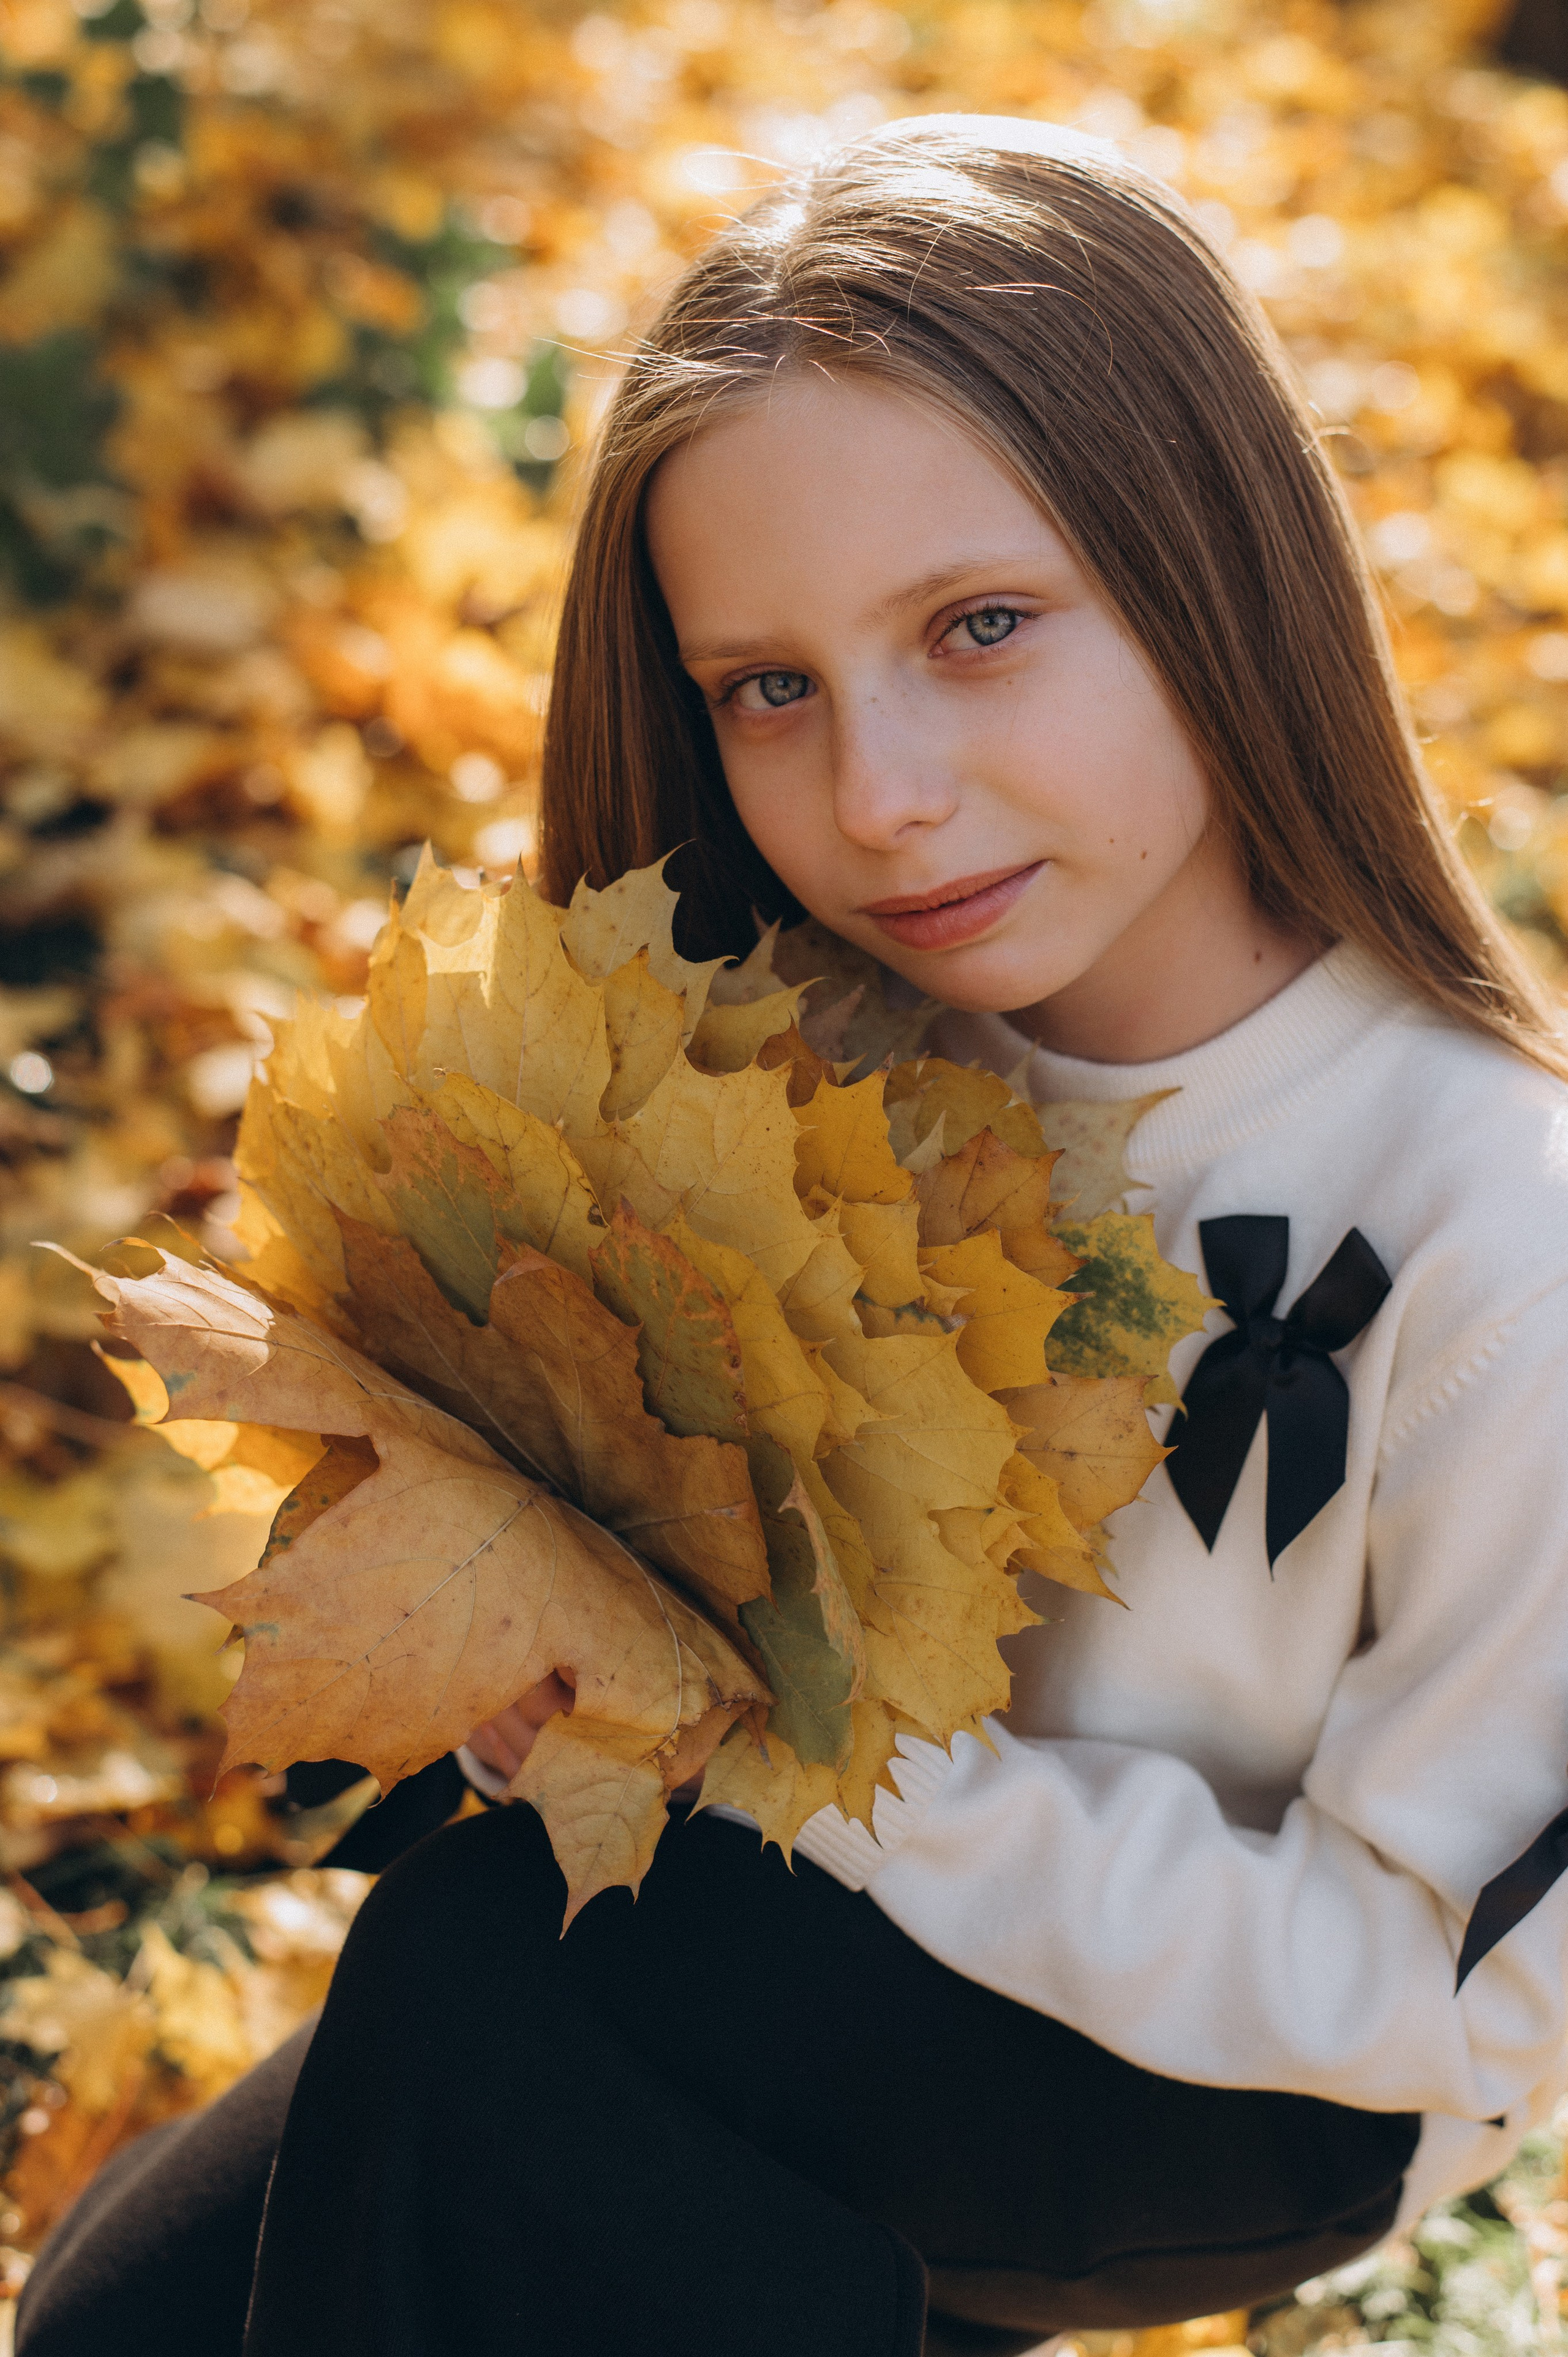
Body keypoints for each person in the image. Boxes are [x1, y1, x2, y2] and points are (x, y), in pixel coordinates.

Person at [20, 115, 1568, 2357]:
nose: (882, 797)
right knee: (124, 2324)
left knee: (484, 2000)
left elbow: (1444, 1993)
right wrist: (554, 1648)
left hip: (1260, 2074)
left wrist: (798, 1769)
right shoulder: (808, 1056)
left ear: (1217, 564)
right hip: (804, 1894)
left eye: (981, 629)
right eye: (771, 687)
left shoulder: (1497, 1230)